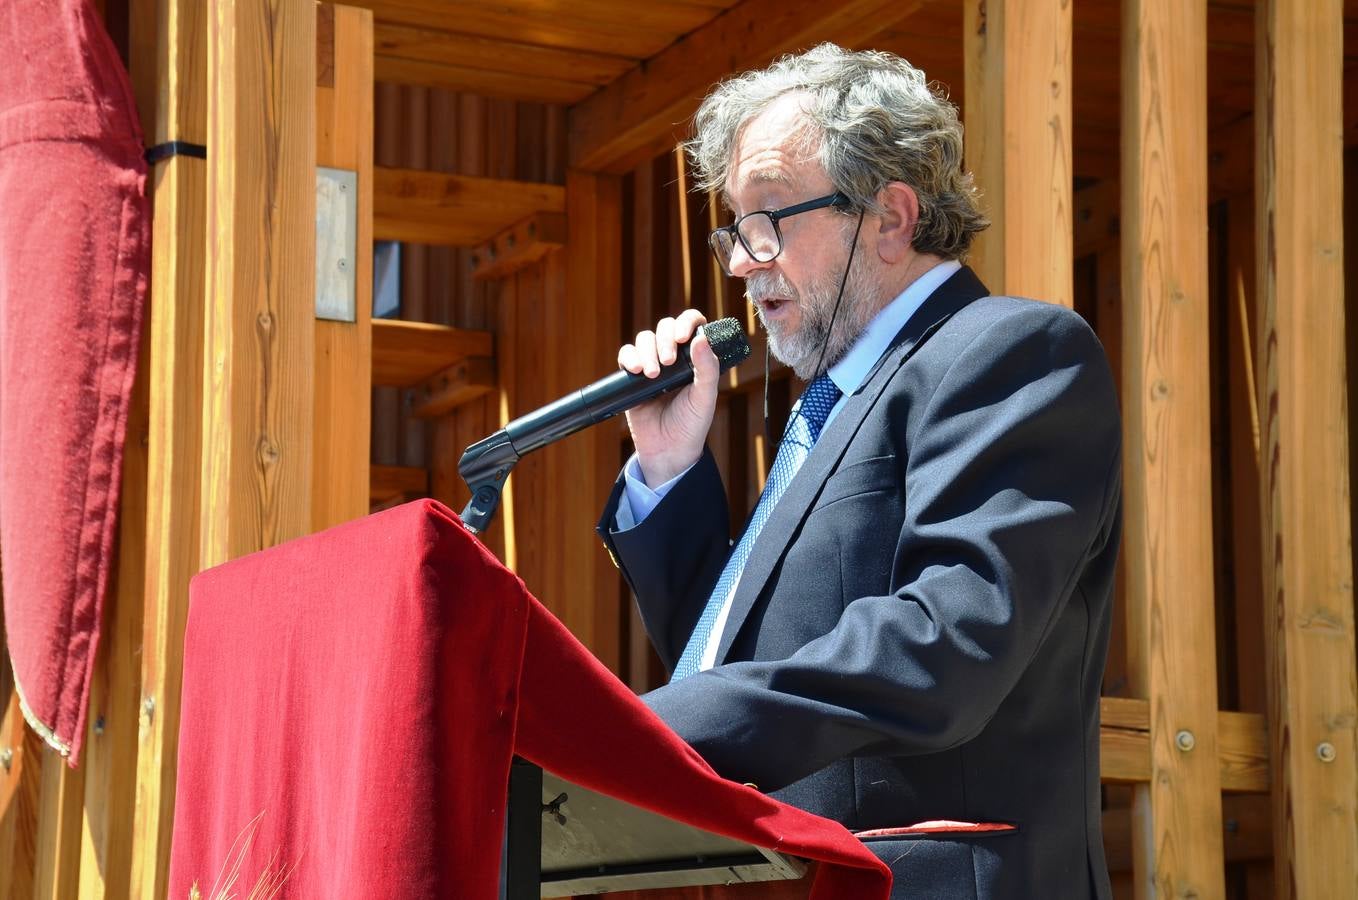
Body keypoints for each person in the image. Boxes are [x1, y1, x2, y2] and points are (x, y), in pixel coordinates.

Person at [596, 44, 1121, 900]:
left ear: (891, 217)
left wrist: (632, 730)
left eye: (769, 219)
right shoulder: (837, 400)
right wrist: (668, 467)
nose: (739, 262)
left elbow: (943, 643)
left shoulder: (1013, 352)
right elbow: (741, 657)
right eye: (733, 228)